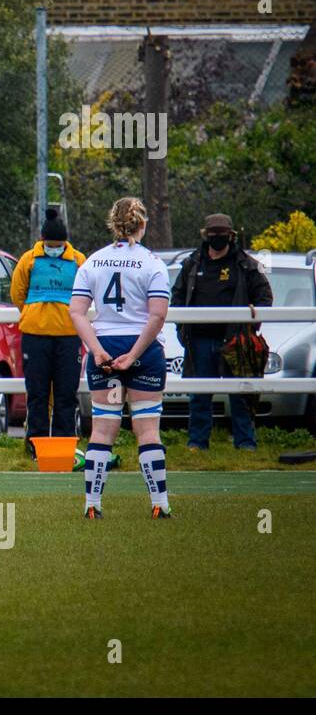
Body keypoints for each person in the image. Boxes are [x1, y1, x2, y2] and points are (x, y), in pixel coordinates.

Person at [69, 197, 173, 520]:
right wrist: (135, 355)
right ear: (143, 224)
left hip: (106, 349)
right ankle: (160, 504)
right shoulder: (153, 263)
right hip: (141, 352)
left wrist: (97, 350)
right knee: (147, 431)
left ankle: (92, 506)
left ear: (112, 223)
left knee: (101, 431)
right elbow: (156, 317)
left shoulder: (93, 262)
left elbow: (76, 312)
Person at [169, 213, 272, 452]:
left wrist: (251, 322)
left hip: (236, 340)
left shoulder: (247, 264)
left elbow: (265, 297)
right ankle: (197, 443)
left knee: (240, 394)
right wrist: (181, 326)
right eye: (213, 234)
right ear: (206, 236)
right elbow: (176, 297)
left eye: (222, 235)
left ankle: (246, 443)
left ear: (231, 236)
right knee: (199, 395)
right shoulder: (192, 264)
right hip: (199, 340)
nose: (217, 239)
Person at [11, 208, 86, 456]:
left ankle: (64, 448)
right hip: (35, 335)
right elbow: (17, 294)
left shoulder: (78, 260)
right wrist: (36, 313)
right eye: (50, 244)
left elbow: (86, 294)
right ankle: (37, 446)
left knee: (66, 394)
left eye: (58, 244)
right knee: (38, 394)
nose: (54, 248)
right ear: (43, 240)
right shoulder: (28, 260)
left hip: (68, 336)